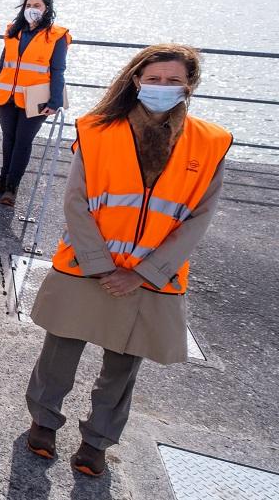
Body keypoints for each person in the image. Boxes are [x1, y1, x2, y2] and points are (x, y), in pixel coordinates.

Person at [24, 44, 229, 477]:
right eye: (153, 79)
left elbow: (198, 219)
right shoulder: (97, 131)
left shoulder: (209, 143)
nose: (162, 87)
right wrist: (101, 265)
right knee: (60, 350)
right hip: (88, 266)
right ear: (136, 80)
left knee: (122, 366)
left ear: (189, 85)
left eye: (173, 80)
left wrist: (142, 273)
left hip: (148, 278)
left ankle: (96, 442)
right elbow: (76, 202)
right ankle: (43, 422)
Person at [0, 0, 71, 207]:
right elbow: (2, 63)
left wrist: (55, 102)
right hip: (8, 95)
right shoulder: (13, 31)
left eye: (37, 6)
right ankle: (2, 181)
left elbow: (59, 70)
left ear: (46, 9)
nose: (32, 9)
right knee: (8, 140)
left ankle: (12, 188)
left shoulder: (56, 36)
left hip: (37, 96)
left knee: (23, 142)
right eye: (29, 5)